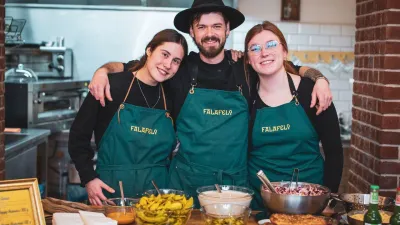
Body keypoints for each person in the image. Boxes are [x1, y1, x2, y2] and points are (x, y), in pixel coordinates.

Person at [87, 0, 333, 207]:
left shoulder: (245, 67)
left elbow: (284, 66)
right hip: (185, 186)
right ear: (192, 32)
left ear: (227, 29)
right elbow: (139, 67)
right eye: (201, 26)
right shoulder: (179, 69)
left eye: (216, 25)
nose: (210, 33)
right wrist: (102, 70)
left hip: (235, 188)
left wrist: (318, 78)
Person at [68, 29, 188, 206]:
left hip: (157, 199)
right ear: (149, 51)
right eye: (164, 54)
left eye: (176, 61)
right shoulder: (111, 85)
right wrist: (89, 178)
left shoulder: (172, 95)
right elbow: (78, 137)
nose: (168, 64)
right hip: (110, 195)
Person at [245, 21, 343, 209]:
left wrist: (328, 201)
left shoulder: (311, 92)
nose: (264, 52)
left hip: (310, 203)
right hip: (261, 205)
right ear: (248, 59)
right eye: (255, 48)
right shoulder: (246, 96)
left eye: (271, 45)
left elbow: (334, 153)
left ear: (284, 51)